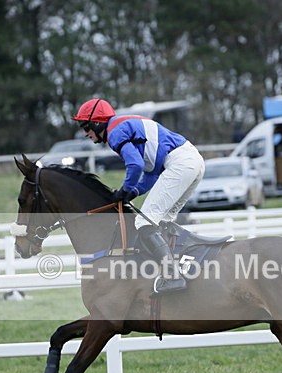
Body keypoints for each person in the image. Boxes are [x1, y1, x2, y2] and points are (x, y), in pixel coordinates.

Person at [71, 98, 205, 294]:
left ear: (97, 122)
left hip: (181, 164)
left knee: (144, 223)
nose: (85, 133)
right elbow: (151, 173)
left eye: (85, 126)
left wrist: (125, 189)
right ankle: (177, 269)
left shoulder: (115, 132)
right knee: (163, 221)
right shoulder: (121, 126)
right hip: (193, 162)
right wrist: (133, 192)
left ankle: (172, 276)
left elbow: (135, 165)